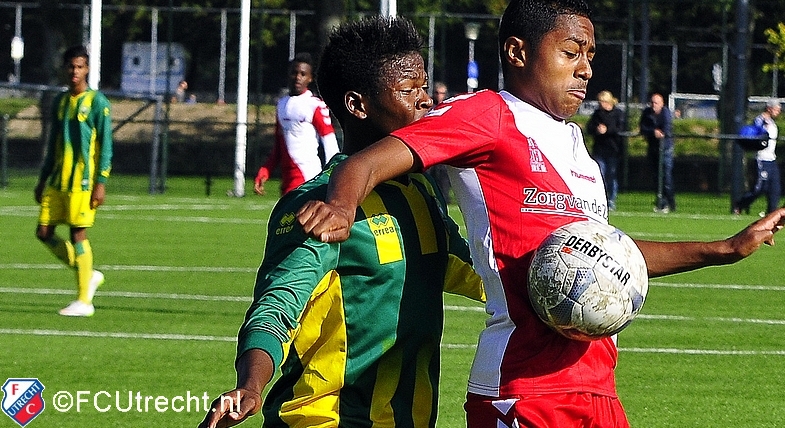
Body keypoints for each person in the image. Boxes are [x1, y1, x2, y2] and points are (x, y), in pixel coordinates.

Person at [295, 1, 785, 426]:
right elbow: (367, 160)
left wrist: (725, 248)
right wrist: (340, 204)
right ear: (518, 52)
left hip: (597, 381)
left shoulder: (576, 148)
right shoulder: (486, 115)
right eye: (571, 53)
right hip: (522, 386)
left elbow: (611, 259)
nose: (585, 69)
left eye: (590, 56)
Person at [198, 16, 484, 428]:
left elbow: (469, 267)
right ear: (358, 105)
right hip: (324, 419)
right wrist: (251, 385)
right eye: (408, 90)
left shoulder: (419, 187)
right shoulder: (318, 204)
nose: (425, 101)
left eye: (425, 86)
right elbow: (278, 304)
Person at [34, 45, 113, 317]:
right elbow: (53, 144)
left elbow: (106, 146)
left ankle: (84, 301)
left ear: (87, 69)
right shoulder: (59, 102)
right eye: (71, 66)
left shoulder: (98, 103)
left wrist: (101, 182)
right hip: (57, 181)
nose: (75, 71)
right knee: (43, 232)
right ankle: (87, 273)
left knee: (77, 234)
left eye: (80, 66)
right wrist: (42, 178)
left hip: (83, 182)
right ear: (65, 68)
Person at [253, 53, 340, 196]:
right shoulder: (282, 104)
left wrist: (333, 175)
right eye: (294, 72)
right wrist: (265, 171)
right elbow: (278, 147)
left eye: (303, 74)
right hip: (287, 178)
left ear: (310, 78)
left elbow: (330, 143)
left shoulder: (314, 105)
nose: (298, 77)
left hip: (307, 176)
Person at [734, 99, 782, 215]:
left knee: (775, 189)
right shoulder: (761, 120)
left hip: (772, 159)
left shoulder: (772, 122)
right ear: (769, 108)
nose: (778, 112)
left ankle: (771, 214)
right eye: (776, 109)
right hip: (762, 159)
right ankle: (740, 205)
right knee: (759, 188)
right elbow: (755, 133)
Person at [587, 90, 625, 210]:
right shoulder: (597, 114)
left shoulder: (618, 113)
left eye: (602, 102)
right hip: (600, 149)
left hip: (613, 149)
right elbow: (590, 127)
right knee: (600, 175)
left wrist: (607, 130)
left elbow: (621, 128)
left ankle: (611, 199)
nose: (600, 104)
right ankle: (600, 199)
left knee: (611, 175)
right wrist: (597, 129)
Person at [640, 92, 676, 213]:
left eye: (656, 103)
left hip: (665, 149)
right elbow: (643, 128)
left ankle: (670, 202)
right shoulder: (647, 113)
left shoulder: (666, 114)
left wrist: (660, 134)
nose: (653, 105)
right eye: (652, 102)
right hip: (653, 148)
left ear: (662, 104)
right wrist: (653, 132)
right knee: (656, 177)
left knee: (666, 177)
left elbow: (666, 129)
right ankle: (661, 202)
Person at [426, 81, 453, 203]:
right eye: (437, 93)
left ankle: (444, 199)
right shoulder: (428, 107)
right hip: (429, 147)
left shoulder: (448, 108)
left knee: (443, 176)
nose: (439, 96)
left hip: (444, 148)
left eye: (442, 93)